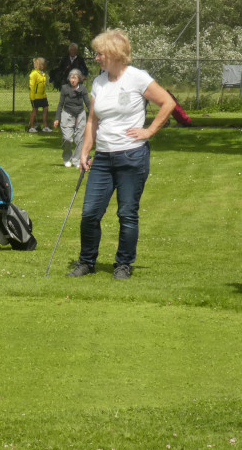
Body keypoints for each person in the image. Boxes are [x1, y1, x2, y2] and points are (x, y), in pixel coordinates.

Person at [67, 29, 175, 280]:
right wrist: (85, 151)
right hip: (103, 158)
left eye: (100, 54)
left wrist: (149, 131)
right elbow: (92, 120)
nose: (96, 58)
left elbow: (168, 103)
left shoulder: (138, 78)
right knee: (90, 213)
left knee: (127, 214)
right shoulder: (99, 82)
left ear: (114, 54)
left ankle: (123, 265)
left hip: (132, 156)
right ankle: (86, 262)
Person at [53, 69, 90, 167]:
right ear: (68, 79)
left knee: (79, 139)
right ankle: (66, 158)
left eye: (75, 78)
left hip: (80, 114)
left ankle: (76, 160)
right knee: (67, 139)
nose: (73, 80)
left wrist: (92, 116)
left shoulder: (83, 88)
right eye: (71, 78)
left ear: (79, 79)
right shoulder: (65, 88)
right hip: (67, 114)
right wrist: (57, 118)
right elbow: (60, 104)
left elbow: (88, 103)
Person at [28, 57, 52, 133]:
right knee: (35, 110)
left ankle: (45, 127)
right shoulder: (34, 74)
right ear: (41, 64)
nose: (46, 65)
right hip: (35, 96)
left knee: (46, 109)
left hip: (43, 96)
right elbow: (32, 86)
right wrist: (32, 98)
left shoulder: (42, 74)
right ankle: (31, 127)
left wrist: (44, 95)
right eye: (45, 63)